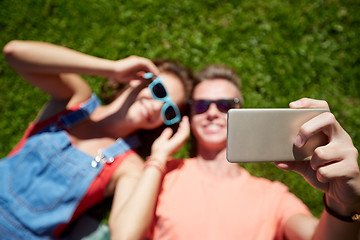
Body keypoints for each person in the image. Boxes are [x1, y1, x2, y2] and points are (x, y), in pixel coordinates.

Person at [109, 64, 360, 240]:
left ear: (241, 113)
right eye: (201, 105)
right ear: (189, 116)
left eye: (225, 105)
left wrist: (342, 205)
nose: (212, 113)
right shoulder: (161, 174)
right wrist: (158, 157)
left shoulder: (272, 196)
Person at [0, 40, 194, 239]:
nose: (156, 108)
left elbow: (125, 235)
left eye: (169, 110)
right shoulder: (75, 100)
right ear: (139, 79)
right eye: (159, 91)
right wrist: (112, 68)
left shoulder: (127, 166)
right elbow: (14, 53)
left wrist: (159, 157)